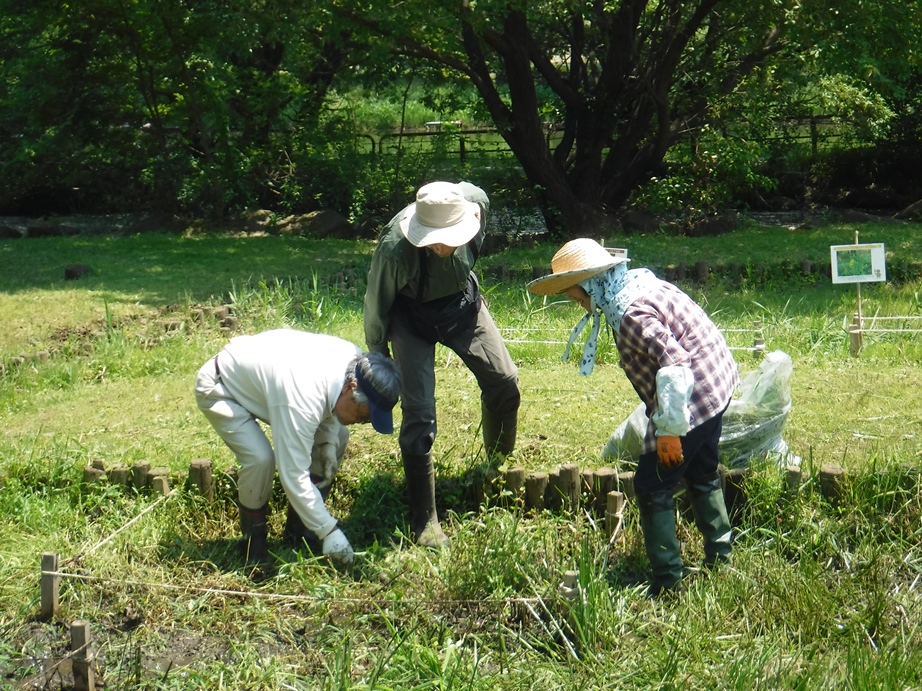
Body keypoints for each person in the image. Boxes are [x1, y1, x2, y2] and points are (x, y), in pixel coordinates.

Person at [527, 238, 739, 596]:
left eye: (573, 290)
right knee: (702, 468)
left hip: (693, 394)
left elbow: (675, 364)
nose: (570, 298)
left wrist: (670, 431)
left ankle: (668, 581)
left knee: (651, 484)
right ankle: (722, 560)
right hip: (717, 379)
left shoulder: (630, 315)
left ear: (593, 282)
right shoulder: (635, 283)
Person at [364, 181, 521, 549]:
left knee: (504, 380)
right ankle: (425, 519)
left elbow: (472, 190)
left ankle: (497, 464)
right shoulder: (394, 249)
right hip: (410, 319)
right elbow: (376, 302)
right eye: (431, 237)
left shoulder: (477, 205)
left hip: (462, 305)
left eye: (446, 236)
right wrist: (378, 355)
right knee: (419, 412)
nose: (438, 245)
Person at [194, 328, 401, 567]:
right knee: (260, 460)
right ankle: (254, 543)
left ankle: (300, 532)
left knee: (335, 441)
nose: (361, 422)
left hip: (272, 380)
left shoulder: (357, 364)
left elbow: (330, 430)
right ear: (350, 388)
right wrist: (330, 531)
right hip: (222, 388)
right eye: (363, 416)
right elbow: (293, 474)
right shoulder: (303, 399)